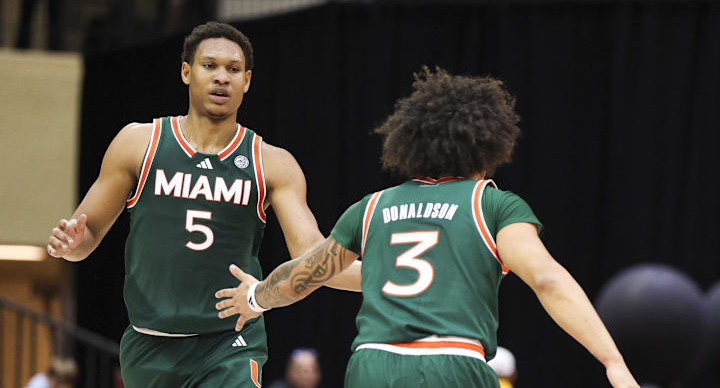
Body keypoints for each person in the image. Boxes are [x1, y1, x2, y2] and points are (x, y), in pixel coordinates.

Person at [215, 67, 641, 387]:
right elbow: (547, 279)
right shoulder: (491, 204)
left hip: (372, 365)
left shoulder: (374, 207)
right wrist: (613, 362)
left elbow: (305, 276)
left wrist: (256, 296)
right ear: (489, 148)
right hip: (451, 362)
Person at [46, 21, 360, 388]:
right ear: (186, 72)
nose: (222, 78)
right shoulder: (139, 143)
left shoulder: (271, 162)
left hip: (231, 341)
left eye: (233, 69)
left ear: (247, 81)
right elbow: (88, 237)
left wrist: (389, 276)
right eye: (210, 66)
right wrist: (72, 244)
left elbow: (313, 258)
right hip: (151, 341)